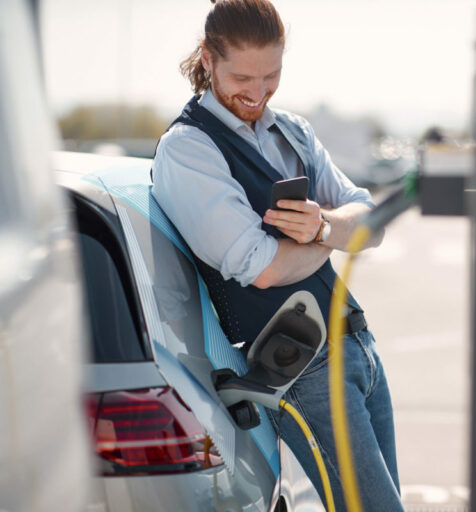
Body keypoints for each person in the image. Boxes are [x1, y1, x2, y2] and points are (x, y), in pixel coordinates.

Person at [150, 0, 404, 510]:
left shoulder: (292, 129)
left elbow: (370, 223)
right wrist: (328, 235)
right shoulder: (188, 149)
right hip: (304, 370)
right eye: (243, 77)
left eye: (272, 76)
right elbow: (263, 268)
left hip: (359, 348)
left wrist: (326, 225)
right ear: (207, 57)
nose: (258, 93)